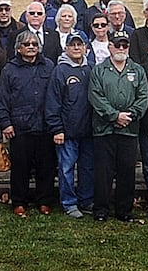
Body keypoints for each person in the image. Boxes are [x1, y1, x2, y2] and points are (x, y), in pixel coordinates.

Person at [88, 31, 148, 222]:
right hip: (104, 129)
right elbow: (95, 96)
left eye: (125, 45)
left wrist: (129, 116)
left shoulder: (137, 70)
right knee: (103, 172)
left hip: (129, 130)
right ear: (110, 47)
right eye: (118, 45)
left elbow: (143, 96)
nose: (121, 49)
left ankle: (124, 210)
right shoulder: (99, 70)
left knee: (126, 171)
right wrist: (114, 116)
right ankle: (101, 210)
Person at [0, 30, 56, 217]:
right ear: (18, 48)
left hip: (45, 125)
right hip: (20, 127)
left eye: (34, 44)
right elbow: (2, 99)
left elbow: (55, 95)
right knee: (20, 168)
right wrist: (5, 123)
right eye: (27, 44)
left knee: (46, 167)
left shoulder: (49, 66)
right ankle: (19, 201)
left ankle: (44, 201)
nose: (31, 47)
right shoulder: (10, 69)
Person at [45, 33, 95, 218]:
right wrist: (56, 128)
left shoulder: (91, 68)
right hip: (67, 132)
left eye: (79, 44)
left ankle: (87, 200)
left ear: (85, 47)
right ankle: (69, 203)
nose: (76, 48)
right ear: (66, 48)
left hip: (89, 130)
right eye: (72, 44)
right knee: (66, 168)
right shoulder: (60, 71)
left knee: (88, 168)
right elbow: (52, 102)